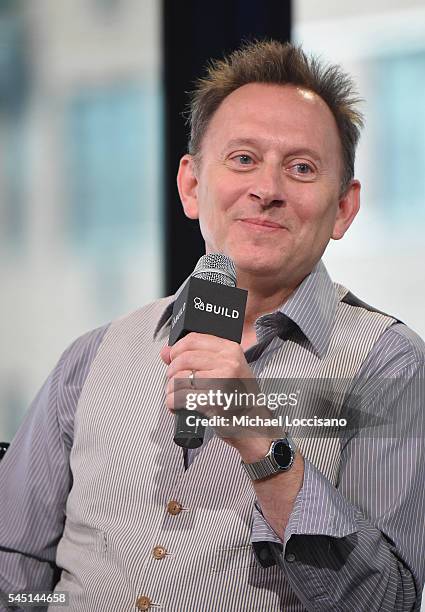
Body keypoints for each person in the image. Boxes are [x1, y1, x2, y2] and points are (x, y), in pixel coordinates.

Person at [0, 40, 424, 612]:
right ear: (193, 186)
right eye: (243, 159)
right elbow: (13, 559)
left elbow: (388, 601)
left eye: (301, 168)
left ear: (344, 208)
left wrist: (261, 442)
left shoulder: (389, 364)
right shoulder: (93, 355)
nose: (267, 190)